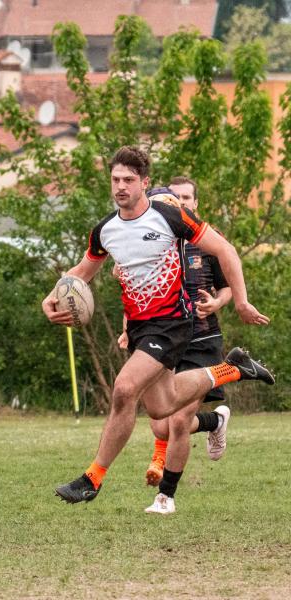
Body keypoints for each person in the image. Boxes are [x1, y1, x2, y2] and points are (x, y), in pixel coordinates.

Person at [41, 146, 274, 505]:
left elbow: (226, 250)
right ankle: (234, 369)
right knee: (161, 407)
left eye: (128, 180)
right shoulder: (104, 230)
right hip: (139, 327)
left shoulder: (170, 216)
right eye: (116, 179)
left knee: (124, 389)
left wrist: (241, 301)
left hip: (172, 323)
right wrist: (53, 295)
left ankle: (92, 478)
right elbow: (83, 272)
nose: (121, 186)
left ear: (144, 183)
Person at [118, 181, 233, 514]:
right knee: (160, 423)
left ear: (195, 204)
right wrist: (127, 329)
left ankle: (165, 497)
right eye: (173, 197)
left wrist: (217, 303)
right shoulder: (150, 240)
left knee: (180, 420)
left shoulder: (208, 241)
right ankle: (214, 422)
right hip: (164, 339)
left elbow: (226, 287)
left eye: (185, 198)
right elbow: (136, 292)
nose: (178, 202)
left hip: (201, 338)